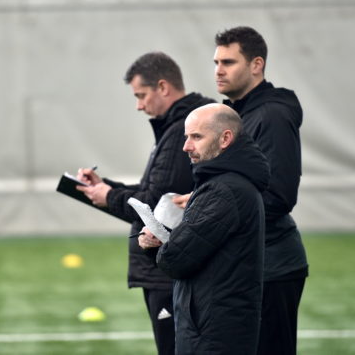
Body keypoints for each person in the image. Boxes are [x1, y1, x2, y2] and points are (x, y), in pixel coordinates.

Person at [173, 26, 308, 355]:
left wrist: (212, 206)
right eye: (216, 62)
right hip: (248, 265)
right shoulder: (238, 114)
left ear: (256, 65)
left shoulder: (272, 115)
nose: (218, 70)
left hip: (272, 266)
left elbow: (279, 195)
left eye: (229, 62)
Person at [76, 52, 215, 355]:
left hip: (168, 264)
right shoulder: (176, 126)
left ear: (163, 87)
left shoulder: (182, 129)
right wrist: (106, 188)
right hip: (167, 263)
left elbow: (157, 204)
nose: (139, 105)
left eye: (141, 95)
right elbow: (155, 190)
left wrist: (108, 197)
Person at [139, 103, 270, 354]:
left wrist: (153, 244)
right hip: (214, 323)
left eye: (196, 137)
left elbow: (176, 260)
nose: (186, 146)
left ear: (225, 139)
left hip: (213, 330)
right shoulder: (223, 183)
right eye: (187, 137)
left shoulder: (223, 190)